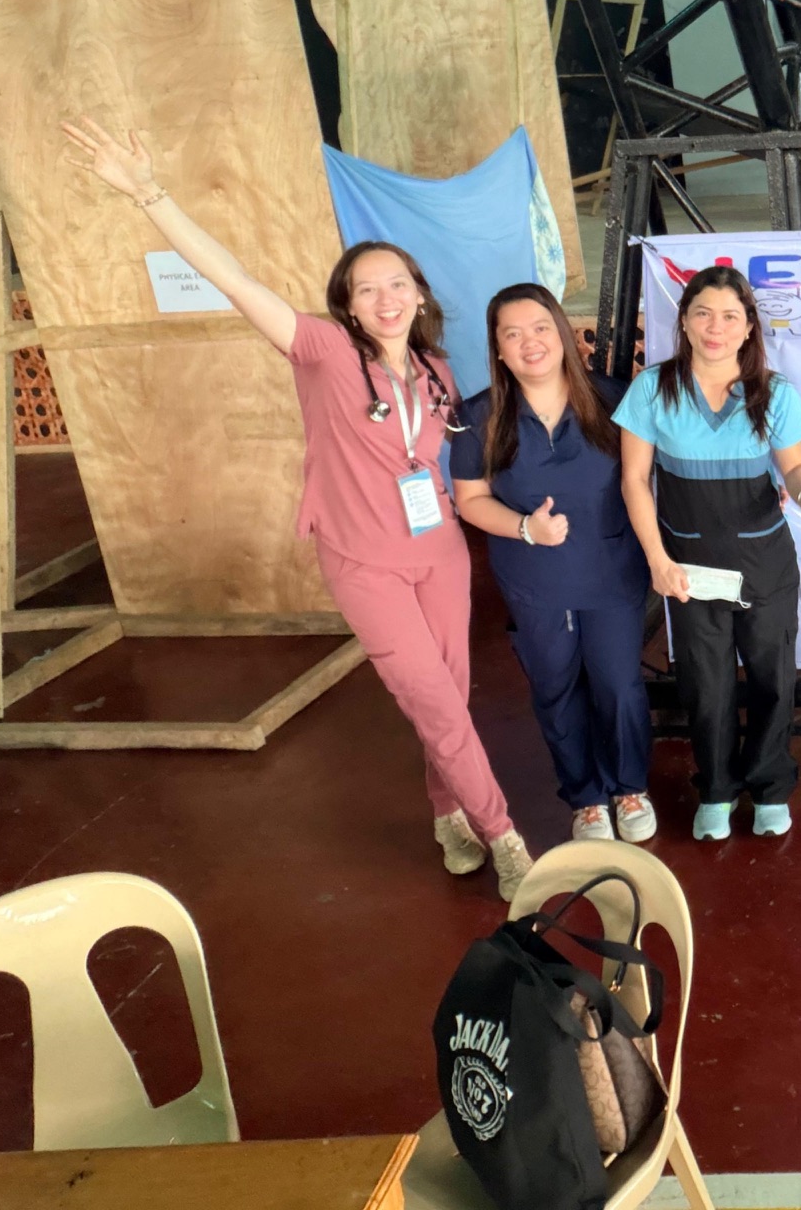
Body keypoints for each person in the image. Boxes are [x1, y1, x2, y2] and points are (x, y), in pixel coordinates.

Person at [61, 118, 533, 898]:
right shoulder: (321, 352)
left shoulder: (437, 369)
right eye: (367, 287)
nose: (385, 298)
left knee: (449, 695)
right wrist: (151, 195)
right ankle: (503, 833)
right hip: (363, 562)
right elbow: (236, 279)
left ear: (418, 294)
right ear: (346, 305)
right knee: (429, 697)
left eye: (397, 284)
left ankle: (448, 809)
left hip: (439, 554)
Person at [615, 266, 801, 843]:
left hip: (764, 564)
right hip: (688, 567)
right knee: (705, 683)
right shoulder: (652, 388)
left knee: (773, 676)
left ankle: (770, 787)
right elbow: (634, 480)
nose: (715, 328)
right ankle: (716, 789)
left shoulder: (773, 392)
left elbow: (793, 467)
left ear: (748, 329)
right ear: (685, 321)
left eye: (730, 317)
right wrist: (657, 562)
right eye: (703, 313)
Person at [452, 286, 656, 846]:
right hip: (534, 579)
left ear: (562, 332)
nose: (529, 343)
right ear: (497, 349)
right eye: (512, 334)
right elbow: (470, 500)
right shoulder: (480, 418)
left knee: (618, 684)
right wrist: (525, 528)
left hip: (610, 569)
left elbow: (651, 479)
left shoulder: (617, 402)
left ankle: (630, 787)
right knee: (555, 686)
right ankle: (587, 798)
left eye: (540, 327)